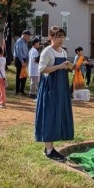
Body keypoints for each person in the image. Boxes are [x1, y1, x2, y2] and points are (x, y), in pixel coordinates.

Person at [34, 27, 75, 163]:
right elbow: (42, 69)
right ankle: (49, 150)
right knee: (49, 117)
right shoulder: (47, 51)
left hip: (61, 88)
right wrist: (59, 66)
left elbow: (62, 67)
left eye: (63, 37)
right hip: (50, 88)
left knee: (58, 116)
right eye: (58, 37)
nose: (61, 40)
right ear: (51, 37)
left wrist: (69, 67)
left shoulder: (63, 51)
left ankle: (50, 148)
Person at [13, 30, 32, 94]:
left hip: (24, 60)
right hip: (19, 59)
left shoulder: (25, 42)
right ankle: (17, 90)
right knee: (19, 75)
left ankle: (22, 90)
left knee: (24, 75)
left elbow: (26, 52)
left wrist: (26, 61)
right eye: (28, 36)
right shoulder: (19, 42)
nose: (29, 38)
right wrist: (22, 62)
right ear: (25, 35)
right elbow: (19, 52)